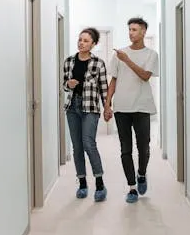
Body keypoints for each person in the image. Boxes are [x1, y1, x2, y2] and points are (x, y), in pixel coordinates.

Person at [104, 17, 160, 203]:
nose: (131, 33)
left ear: (143, 31)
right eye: (129, 29)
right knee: (125, 149)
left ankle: (141, 174)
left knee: (143, 147)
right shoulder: (119, 55)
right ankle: (132, 188)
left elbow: (145, 76)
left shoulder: (151, 55)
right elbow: (114, 80)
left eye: (134, 29)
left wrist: (127, 60)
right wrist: (107, 104)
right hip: (122, 109)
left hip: (142, 107)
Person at [63, 28, 110, 202]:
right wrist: (69, 84)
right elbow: (64, 86)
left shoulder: (98, 63)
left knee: (88, 144)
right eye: (80, 39)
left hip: (90, 108)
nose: (81, 43)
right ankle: (82, 183)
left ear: (93, 44)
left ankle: (100, 184)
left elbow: (104, 88)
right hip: (72, 107)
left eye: (86, 41)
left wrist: (107, 108)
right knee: (77, 147)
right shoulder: (69, 62)